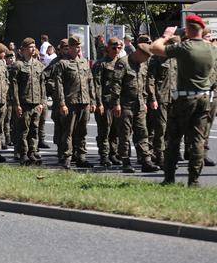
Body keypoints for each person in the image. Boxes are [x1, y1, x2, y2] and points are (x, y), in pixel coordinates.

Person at [152, 15, 217, 186]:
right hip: (204, 98)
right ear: (202, 30)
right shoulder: (211, 48)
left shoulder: (185, 47)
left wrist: (166, 35)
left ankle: (169, 178)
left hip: (184, 98)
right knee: (198, 140)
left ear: (187, 29)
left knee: (173, 139)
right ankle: (194, 180)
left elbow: (155, 48)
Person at [111, 43, 160, 173]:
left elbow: (144, 84)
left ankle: (146, 161)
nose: (146, 60)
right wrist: (116, 103)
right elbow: (116, 84)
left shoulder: (143, 64)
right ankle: (126, 161)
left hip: (139, 105)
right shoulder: (123, 63)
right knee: (125, 134)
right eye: (145, 57)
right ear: (138, 52)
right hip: (125, 105)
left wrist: (145, 101)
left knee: (142, 133)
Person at [54, 36, 96, 169]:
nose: (78, 48)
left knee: (82, 131)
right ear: (70, 48)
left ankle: (81, 157)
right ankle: (67, 157)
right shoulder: (63, 63)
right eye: (76, 46)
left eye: (79, 46)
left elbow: (90, 82)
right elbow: (59, 85)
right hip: (70, 102)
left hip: (84, 101)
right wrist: (62, 104)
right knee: (69, 132)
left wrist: (93, 100)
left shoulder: (84, 62)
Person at [10, 38, 46, 166]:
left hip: (36, 103)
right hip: (24, 103)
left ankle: (32, 152)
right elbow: (14, 87)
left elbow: (42, 85)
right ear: (23, 49)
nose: (33, 48)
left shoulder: (39, 65)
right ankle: (23, 154)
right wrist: (17, 104)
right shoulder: (18, 66)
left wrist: (42, 102)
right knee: (23, 130)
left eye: (34, 46)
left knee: (34, 130)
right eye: (30, 47)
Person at [147, 37, 179, 167]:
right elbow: (150, 80)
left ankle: (167, 155)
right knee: (160, 128)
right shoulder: (156, 59)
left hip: (174, 98)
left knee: (171, 129)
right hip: (161, 98)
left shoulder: (177, 59)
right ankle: (159, 156)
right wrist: (152, 98)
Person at [92, 37, 123, 166]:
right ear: (108, 48)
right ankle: (104, 156)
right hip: (105, 102)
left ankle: (113, 154)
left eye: (119, 47)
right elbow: (96, 85)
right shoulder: (101, 64)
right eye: (114, 47)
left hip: (118, 103)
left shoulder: (122, 63)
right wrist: (98, 103)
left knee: (116, 130)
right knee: (105, 130)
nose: (117, 50)